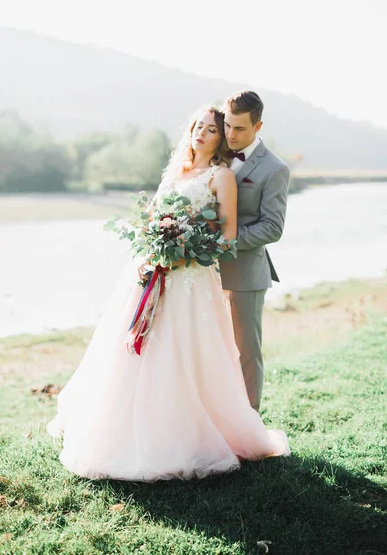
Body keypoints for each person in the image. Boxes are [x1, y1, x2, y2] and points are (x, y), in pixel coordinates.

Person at [47, 106, 290, 481]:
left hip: (191, 277)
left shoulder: (221, 176)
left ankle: (184, 433)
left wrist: (187, 252)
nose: (202, 133)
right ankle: (121, 427)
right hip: (151, 269)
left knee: (183, 351)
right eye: (198, 126)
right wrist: (153, 248)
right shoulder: (175, 172)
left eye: (211, 129)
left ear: (221, 137)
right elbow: (152, 218)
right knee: (132, 348)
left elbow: (226, 237)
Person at [220, 91, 290, 412]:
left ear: (258, 126)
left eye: (240, 129)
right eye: (227, 126)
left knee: (246, 353)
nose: (231, 135)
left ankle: (249, 429)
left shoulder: (274, 169)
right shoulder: (214, 153)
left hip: (246, 275)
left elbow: (272, 228)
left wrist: (224, 242)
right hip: (202, 273)